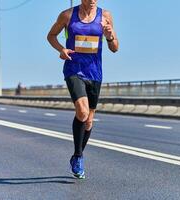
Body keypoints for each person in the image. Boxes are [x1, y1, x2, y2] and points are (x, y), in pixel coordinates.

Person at [47, 0, 119, 179]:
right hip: (73, 70)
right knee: (82, 111)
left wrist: (109, 35)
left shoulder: (106, 16)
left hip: (94, 73)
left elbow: (115, 48)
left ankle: (76, 155)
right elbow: (51, 36)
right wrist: (61, 49)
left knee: (88, 122)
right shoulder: (67, 15)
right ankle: (78, 157)